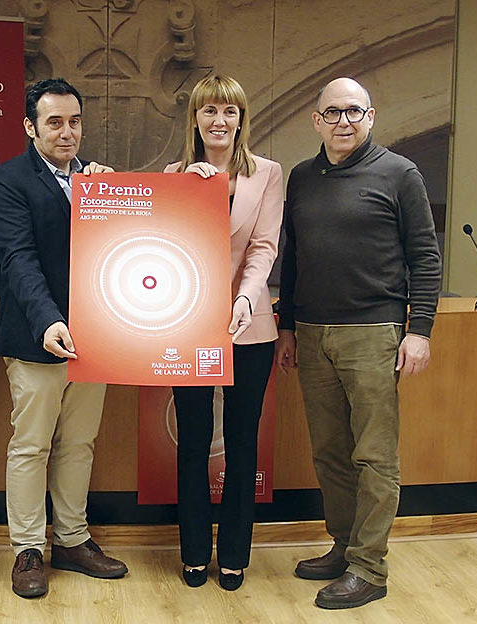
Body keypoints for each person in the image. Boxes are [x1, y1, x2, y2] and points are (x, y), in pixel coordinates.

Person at [275, 77, 442, 609]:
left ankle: (370, 568)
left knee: (373, 455)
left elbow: (425, 256)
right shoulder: (302, 177)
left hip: (374, 334)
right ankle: (344, 547)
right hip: (312, 333)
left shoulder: (400, 173)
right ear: (317, 120)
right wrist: (287, 326)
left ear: (370, 116)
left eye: (353, 111)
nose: (343, 121)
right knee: (330, 451)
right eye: (332, 112)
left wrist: (419, 330)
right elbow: (293, 259)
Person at [0, 78, 128, 599]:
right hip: (36, 338)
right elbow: (17, 260)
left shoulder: (97, 181)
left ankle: (72, 539)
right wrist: (48, 320)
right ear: (30, 127)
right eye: (54, 122)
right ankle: (27, 548)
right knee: (31, 445)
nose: (67, 132)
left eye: (74, 122)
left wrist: (113, 198)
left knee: (79, 443)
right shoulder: (8, 181)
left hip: (96, 339)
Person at [162, 75, 283, 591]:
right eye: (209, 110)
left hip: (248, 326)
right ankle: (193, 552)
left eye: (229, 111)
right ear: (195, 119)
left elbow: (263, 247)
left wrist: (246, 298)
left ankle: (234, 554)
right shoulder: (174, 175)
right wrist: (191, 192)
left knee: (241, 443)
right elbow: (166, 248)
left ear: (241, 119)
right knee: (192, 441)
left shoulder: (268, 173)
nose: (219, 120)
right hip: (189, 327)